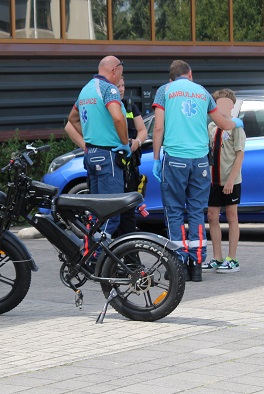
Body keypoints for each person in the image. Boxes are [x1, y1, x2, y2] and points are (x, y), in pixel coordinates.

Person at [150, 60, 241, 282]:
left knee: (174, 211)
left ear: (172, 77)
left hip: (176, 159)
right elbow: (223, 123)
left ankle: (178, 263)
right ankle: (197, 264)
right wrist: (236, 123)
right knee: (196, 211)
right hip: (200, 161)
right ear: (190, 74)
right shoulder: (202, 92)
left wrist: (156, 158)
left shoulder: (165, 91)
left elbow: (158, 127)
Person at [65, 56, 130, 237]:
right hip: (108, 155)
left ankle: (90, 249)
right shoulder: (109, 89)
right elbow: (118, 118)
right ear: (114, 70)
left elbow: (72, 118)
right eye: (121, 74)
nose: (120, 78)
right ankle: (97, 252)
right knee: (111, 213)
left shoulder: (86, 90)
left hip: (91, 155)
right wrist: (125, 143)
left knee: (97, 212)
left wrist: (91, 137)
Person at [204, 88, 245, 273]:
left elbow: (239, 155)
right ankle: (217, 257)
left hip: (231, 180)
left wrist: (230, 180)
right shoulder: (212, 127)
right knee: (212, 216)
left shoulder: (236, 127)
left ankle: (232, 258)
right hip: (214, 179)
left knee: (231, 216)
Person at [115, 76, 148, 236]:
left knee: (128, 211)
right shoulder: (108, 106)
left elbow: (142, 130)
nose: (121, 89)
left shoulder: (129, 106)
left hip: (131, 166)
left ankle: (128, 247)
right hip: (115, 163)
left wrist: (137, 142)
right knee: (114, 209)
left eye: (123, 85)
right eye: (118, 86)